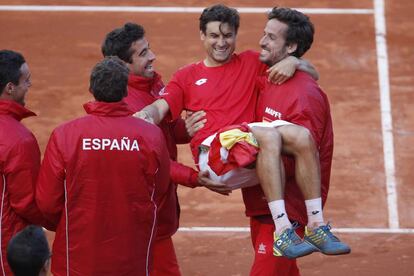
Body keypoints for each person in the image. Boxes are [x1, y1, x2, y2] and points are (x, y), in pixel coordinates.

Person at [136, 4, 332, 259]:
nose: (221, 42)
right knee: (269, 134)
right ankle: (283, 230)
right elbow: (159, 108)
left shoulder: (252, 62)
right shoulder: (187, 76)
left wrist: (294, 62)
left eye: (227, 35)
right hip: (215, 159)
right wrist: (141, 117)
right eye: (214, 36)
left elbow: (312, 72)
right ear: (202, 36)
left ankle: (316, 224)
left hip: (250, 156)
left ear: (236, 36)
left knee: (301, 137)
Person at [101, 22, 220, 276]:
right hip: (142, 211)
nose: (153, 56)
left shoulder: (153, 84)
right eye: (143, 53)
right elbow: (153, 160)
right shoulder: (124, 104)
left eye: (149, 49)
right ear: (122, 64)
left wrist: (183, 130)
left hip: (157, 203)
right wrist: (193, 177)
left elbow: (165, 131)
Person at [35, 56, 170, 276]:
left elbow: (47, 201)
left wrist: (71, 223)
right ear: (125, 91)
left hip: (77, 259)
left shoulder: (65, 135)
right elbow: (160, 188)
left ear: (92, 89)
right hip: (131, 257)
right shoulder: (151, 135)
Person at [0, 50, 49, 275]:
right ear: (10, 87)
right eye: (26, 80)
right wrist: (60, 221)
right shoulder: (19, 140)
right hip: (8, 245)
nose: (29, 84)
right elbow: (26, 203)